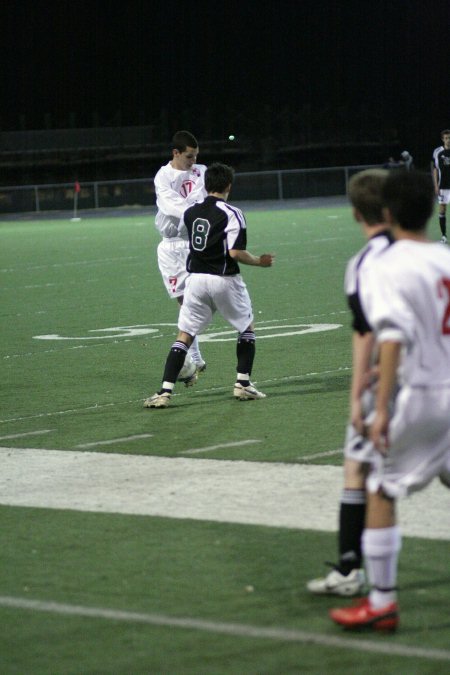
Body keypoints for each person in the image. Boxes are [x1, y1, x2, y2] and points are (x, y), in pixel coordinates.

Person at [330, 170, 450, 632]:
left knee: (380, 489)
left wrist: (379, 408)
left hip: (423, 398)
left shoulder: (385, 263)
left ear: (387, 212)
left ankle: (382, 602)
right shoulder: (443, 257)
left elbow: (393, 335)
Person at [307, 169, 393, 597]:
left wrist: (358, 397)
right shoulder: (434, 255)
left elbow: (369, 334)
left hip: (394, 386)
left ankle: (350, 572)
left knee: (360, 472)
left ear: (355, 212)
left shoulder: (364, 264)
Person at [144, 162, 274, 408]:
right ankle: (243, 385)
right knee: (246, 327)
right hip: (224, 279)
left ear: (205, 185)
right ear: (228, 186)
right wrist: (259, 261)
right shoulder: (232, 212)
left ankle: (164, 392)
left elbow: (185, 236)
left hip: (195, 280)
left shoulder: (190, 213)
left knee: (185, 335)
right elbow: (235, 252)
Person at [153, 130, 207, 374]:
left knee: (200, 301)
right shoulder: (163, 176)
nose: (193, 162)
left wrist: (193, 206)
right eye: (189, 157)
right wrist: (192, 207)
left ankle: (194, 356)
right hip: (172, 247)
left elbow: (203, 197)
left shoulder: (202, 172)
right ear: (175, 153)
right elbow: (169, 205)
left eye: (196, 156)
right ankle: (194, 356)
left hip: (196, 241)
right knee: (184, 302)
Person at [431, 129, 450, 243]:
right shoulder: (438, 152)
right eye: (446, 138)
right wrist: (436, 185)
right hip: (443, 186)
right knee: (442, 210)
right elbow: (435, 170)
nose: (448, 140)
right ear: (443, 139)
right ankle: (444, 236)